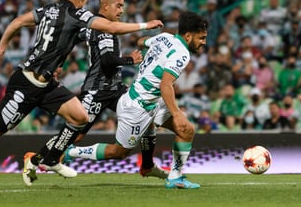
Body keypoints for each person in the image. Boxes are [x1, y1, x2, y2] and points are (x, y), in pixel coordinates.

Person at [0, 0, 163, 192]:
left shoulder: (48, 9)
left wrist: (2, 47)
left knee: (80, 117)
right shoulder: (77, 14)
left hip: (47, 83)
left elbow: (19, 21)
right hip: (26, 83)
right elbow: (111, 27)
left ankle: (51, 159)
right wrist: (146, 25)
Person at [23, 0, 167, 186]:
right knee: (75, 134)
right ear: (105, 6)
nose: (121, 10)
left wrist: (60, 59)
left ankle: (147, 164)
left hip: (115, 88)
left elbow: (74, 36)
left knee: (145, 112)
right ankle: (35, 158)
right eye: (118, 6)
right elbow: (108, 61)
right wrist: (129, 59)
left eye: (123, 6)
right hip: (96, 91)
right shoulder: (102, 28)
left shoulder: (96, 26)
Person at [63, 12, 209, 189]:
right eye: (201, 38)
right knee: (119, 152)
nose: (203, 42)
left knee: (186, 130)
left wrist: (147, 45)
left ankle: (174, 177)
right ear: (188, 35)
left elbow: (142, 41)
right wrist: (176, 113)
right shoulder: (182, 54)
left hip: (150, 101)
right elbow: (165, 85)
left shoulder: (164, 37)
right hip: (137, 106)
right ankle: (71, 151)